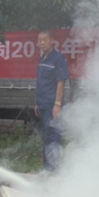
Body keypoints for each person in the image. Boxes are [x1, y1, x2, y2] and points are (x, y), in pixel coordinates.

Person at [34, 30, 68, 171]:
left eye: (45, 39)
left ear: (52, 41)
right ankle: (47, 168)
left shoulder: (58, 58)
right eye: (39, 40)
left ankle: (54, 171)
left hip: (52, 106)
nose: (42, 42)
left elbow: (60, 82)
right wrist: (37, 103)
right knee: (46, 137)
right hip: (43, 104)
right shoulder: (42, 59)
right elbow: (42, 83)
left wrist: (57, 104)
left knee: (53, 136)